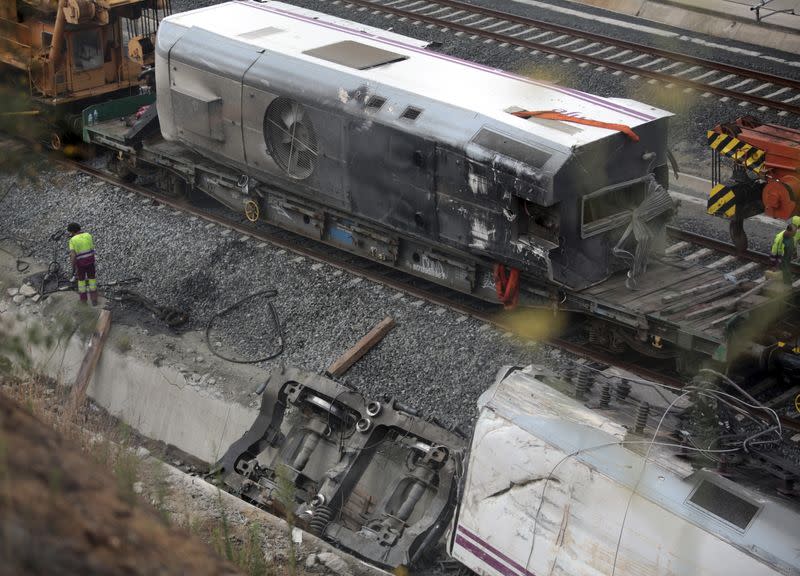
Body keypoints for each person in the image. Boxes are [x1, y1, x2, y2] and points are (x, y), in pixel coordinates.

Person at [67, 222, 98, 305]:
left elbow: (73, 256)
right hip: (91, 261)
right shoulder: (88, 235)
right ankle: (94, 300)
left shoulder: (72, 240)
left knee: (81, 282)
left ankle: (83, 300)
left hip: (80, 264)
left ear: (72, 232)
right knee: (92, 280)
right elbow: (92, 248)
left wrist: (73, 267)